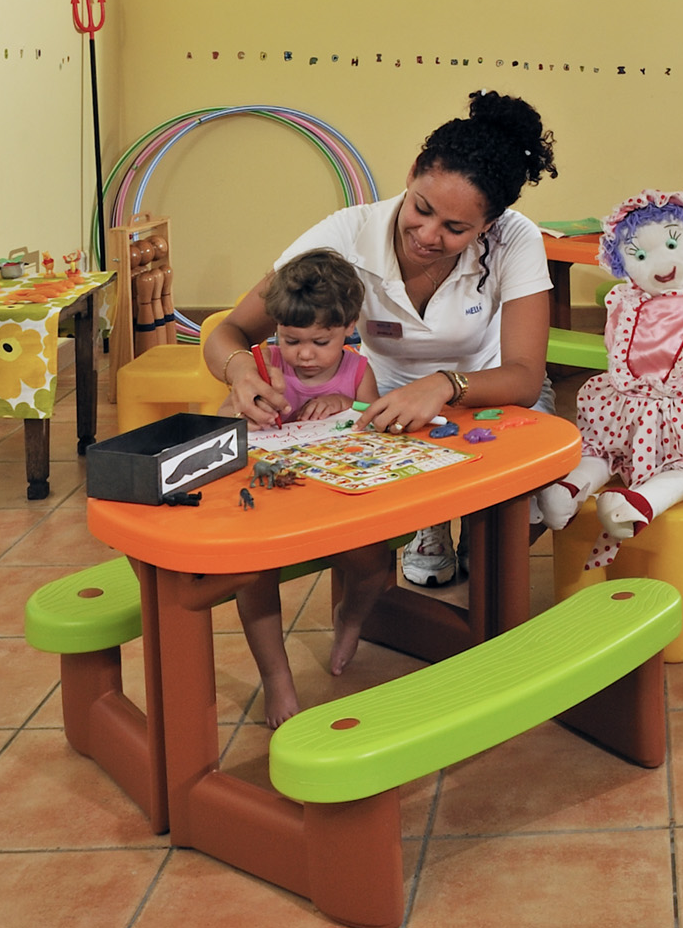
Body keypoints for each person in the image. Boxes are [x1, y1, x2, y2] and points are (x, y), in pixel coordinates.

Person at [200, 90, 558, 716]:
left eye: (455, 229)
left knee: (510, 515)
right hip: (380, 402)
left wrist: (445, 384)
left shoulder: (516, 240)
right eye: (421, 209)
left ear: (488, 226)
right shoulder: (346, 235)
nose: (428, 235)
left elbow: (525, 377)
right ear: (413, 174)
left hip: (486, 392)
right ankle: (422, 536)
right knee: (356, 512)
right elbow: (229, 331)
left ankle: (475, 587)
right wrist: (239, 371)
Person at [234, 250, 371, 427]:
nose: (305, 354)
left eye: (320, 342)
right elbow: (224, 413)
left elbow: (373, 411)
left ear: (350, 326)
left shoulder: (359, 372)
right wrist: (244, 414)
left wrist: (345, 403)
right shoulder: (268, 364)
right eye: (291, 341)